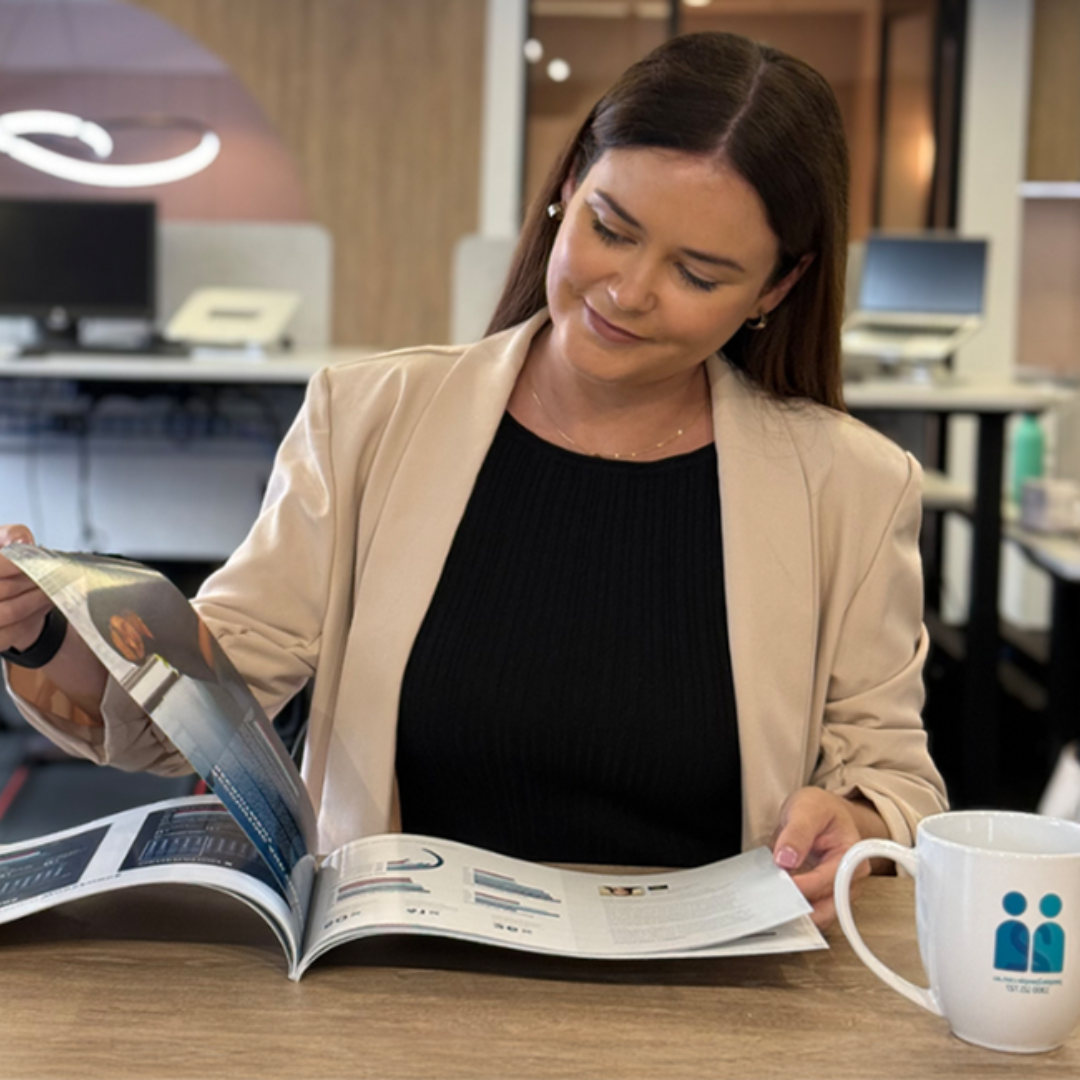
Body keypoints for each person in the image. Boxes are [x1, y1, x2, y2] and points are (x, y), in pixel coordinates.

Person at [0, 31, 946, 927]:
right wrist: (44, 635)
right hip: (401, 976)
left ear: (776, 289)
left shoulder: (851, 489)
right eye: (610, 228)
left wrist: (857, 824)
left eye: (699, 275)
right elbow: (207, 706)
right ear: (567, 188)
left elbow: (896, 775)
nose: (627, 292)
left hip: (707, 995)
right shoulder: (369, 419)